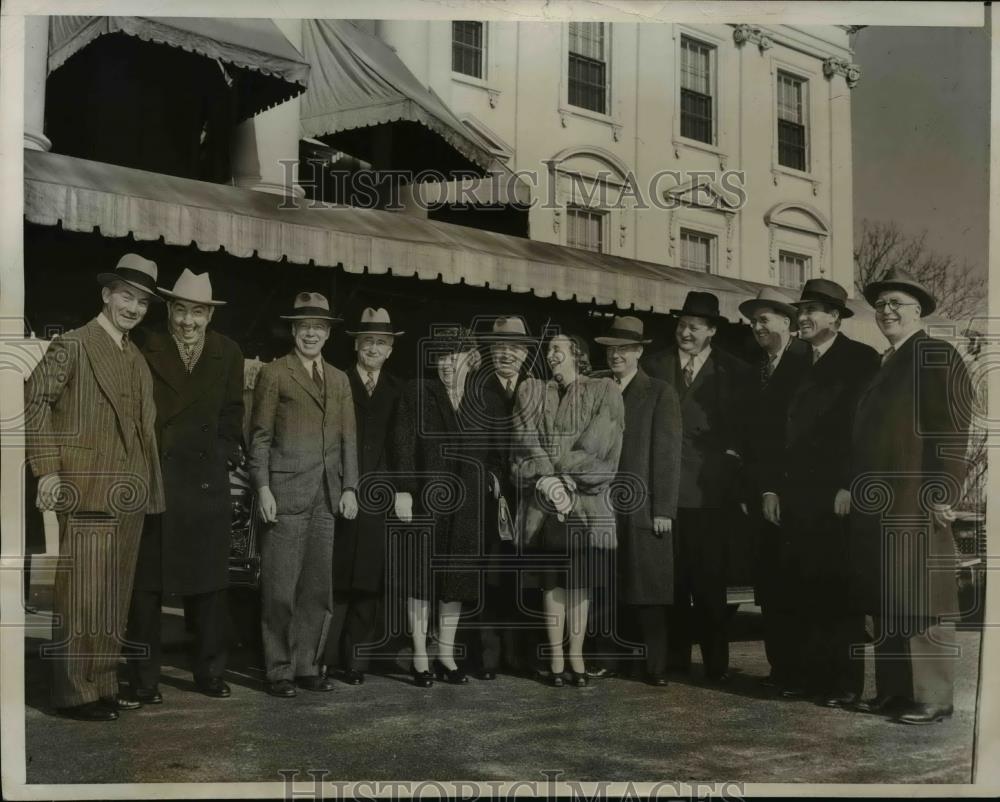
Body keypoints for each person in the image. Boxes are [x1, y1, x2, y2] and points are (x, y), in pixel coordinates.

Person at [24, 253, 165, 721]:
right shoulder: (74, 344)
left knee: (113, 593)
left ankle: (101, 681)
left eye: (142, 302)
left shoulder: (135, 355)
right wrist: (47, 470)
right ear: (106, 294)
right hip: (86, 485)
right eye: (127, 296)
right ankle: (73, 693)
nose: (134, 307)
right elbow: (36, 403)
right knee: (82, 592)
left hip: (129, 492)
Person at [849, 268, 973, 724]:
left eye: (897, 304)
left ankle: (933, 698)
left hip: (917, 498)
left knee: (922, 596)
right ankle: (894, 692)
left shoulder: (935, 354)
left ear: (917, 311)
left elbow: (952, 429)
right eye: (881, 305)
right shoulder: (886, 362)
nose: (887, 311)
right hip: (881, 503)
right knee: (890, 595)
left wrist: (944, 490)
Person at [758, 278, 879, 706]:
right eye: (800, 311)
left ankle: (844, 684)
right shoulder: (792, 363)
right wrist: (770, 487)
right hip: (793, 497)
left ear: (835, 317)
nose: (802, 318)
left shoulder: (862, 360)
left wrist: (850, 483)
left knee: (838, 592)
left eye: (812, 311)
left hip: (835, 494)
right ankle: (808, 677)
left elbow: (864, 431)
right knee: (800, 588)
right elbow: (772, 433)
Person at [127, 269, 244, 703]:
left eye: (197, 312)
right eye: (180, 310)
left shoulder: (228, 351)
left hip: (205, 482)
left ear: (209, 316)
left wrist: (221, 455)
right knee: (146, 588)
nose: (187, 321)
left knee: (209, 587)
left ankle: (209, 672)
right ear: (169, 310)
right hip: (155, 480)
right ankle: (144, 681)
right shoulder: (144, 343)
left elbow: (233, 412)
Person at [249, 292, 359, 698]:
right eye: (304, 327)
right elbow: (258, 437)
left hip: (327, 496)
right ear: (294, 330)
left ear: (328, 334)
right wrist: (262, 487)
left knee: (316, 588)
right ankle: (278, 669)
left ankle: (307, 665)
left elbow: (349, 438)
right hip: (285, 492)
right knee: (279, 588)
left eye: (319, 327)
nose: (311, 333)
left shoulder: (339, 379)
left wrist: (350, 487)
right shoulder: (275, 373)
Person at [644, 292, 750, 683]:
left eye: (694, 327)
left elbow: (745, 430)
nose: (685, 332)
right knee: (670, 580)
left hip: (711, 493)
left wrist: (731, 463)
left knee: (710, 582)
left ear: (711, 331)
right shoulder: (654, 364)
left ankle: (716, 665)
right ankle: (674, 661)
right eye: (681, 324)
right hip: (665, 489)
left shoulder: (735, 371)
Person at [511, 332, 625, 688]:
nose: (551, 355)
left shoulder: (603, 391)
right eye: (549, 350)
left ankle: (576, 654)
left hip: (586, 508)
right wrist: (546, 479)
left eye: (558, 349)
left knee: (580, 585)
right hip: (543, 506)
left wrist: (564, 475)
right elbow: (521, 442)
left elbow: (604, 450)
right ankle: (556, 655)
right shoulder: (532, 392)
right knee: (552, 585)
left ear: (578, 354)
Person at [393, 326, 490, 687]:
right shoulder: (418, 392)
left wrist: (491, 481)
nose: (448, 364)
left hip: (467, 506)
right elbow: (402, 445)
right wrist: (403, 491)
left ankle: (445, 655)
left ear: (471, 359)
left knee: (455, 584)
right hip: (425, 500)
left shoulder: (482, 400)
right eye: (442, 357)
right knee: (420, 579)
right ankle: (420, 656)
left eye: (456, 356)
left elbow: (493, 451)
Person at [596, 316, 681, 687]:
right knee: (611, 585)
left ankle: (654, 667)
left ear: (639, 352)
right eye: (612, 348)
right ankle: (613, 661)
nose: (617, 355)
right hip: (602, 505)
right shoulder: (599, 389)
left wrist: (663, 509)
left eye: (625, 349)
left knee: (647, 589)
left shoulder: (659, 392)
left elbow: (666, 454)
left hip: (644, 506)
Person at [326, 307, 405, 685]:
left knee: (368, 582)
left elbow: (399, 445)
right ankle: (323, 658)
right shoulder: (336, 381)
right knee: (334, 577)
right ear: (356, 345)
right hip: (340, 492)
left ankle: (355, 662)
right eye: (368, 341)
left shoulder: (397, 389)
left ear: (390, 350)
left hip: (379, 497)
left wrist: (393, 490)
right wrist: (345, 485)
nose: (374, 348)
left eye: (382, 343)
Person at [738, 287, 811, 690]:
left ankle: (801, 672)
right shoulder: (755, 370)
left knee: (796, 584)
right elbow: (753, 441)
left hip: (795, 496)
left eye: (765, 319)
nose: (757, 326)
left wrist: (777, 488)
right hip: (762, 495)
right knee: (770, 586)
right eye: (753, 320)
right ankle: (781, 669)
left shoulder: (807, 364)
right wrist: (755, 489)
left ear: (787, 322)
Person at [469, 316, 538, 680]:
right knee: (491, 578)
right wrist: (491, 479)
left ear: (525, 353)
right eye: (500, 348)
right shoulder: (476, 389)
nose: (506, 354)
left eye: (514, 348)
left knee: (522, 580)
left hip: (530, 501)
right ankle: (488, 657)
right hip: (491, 500)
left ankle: (518, 655)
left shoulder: (537, 390)